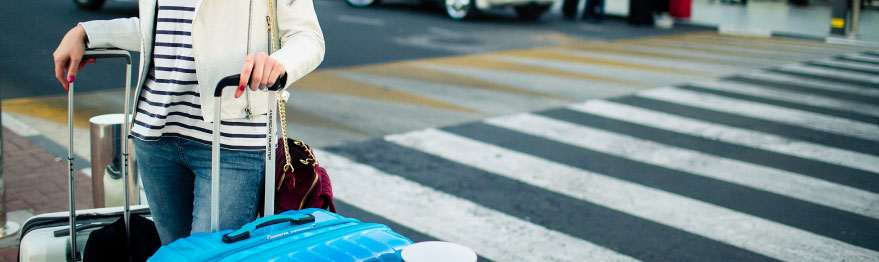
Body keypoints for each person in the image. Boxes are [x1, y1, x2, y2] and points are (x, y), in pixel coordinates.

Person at [52, 0, 325, 245]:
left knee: (210, 254)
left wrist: (278, 63)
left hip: (231, 140)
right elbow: (162, 29)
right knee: (174, 253)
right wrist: (87, 33)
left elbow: (307, 36)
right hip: (157, 133)